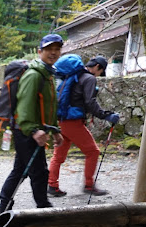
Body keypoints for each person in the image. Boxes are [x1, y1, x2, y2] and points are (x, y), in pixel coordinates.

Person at [0, 34, 65, 216]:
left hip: (33, 131)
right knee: (36, 172)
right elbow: (24, 105)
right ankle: (40, 208)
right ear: (39, 51)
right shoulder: (34, 75)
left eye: (57, 49)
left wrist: (55, 130)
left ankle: (5, 209)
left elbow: (48, 107)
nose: (53, 53)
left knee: (24, 170)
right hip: (26, 132)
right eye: (49, 49)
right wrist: (33, 130)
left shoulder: (48, 74)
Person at [47, 56, 120, 197]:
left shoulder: (74, 76)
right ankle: (88, 185)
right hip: (73, 122)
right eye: (101, 71)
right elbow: (90, 102)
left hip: (61, 120)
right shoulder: (89, 79)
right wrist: (106, 115)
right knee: (93, 151)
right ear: (98, 66)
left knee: (58, 155)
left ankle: (52, 186)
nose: (99, 75)